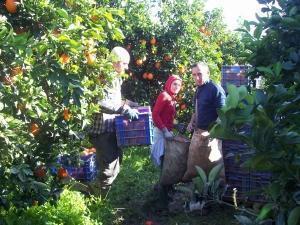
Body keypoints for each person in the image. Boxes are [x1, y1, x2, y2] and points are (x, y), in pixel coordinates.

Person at [88, 46, 139, 196]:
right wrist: (124, 110)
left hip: (110, 128)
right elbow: (100, 102)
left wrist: (129, 104)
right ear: (116, 62)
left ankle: (94, 189)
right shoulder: (104, 76)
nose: (127, 67)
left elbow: (114, 100)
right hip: (101, 129)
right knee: (110, 166)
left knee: (115, 161)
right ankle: (97, 198)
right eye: (125, 63)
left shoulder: (115, 78)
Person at [183, 62, 226, 181]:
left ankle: (214, 195)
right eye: (194, 75)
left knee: (214, 172)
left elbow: (223, 114)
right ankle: (196, 190)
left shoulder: (215, 89)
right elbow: (196, 110)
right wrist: (191, 122)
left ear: (208, 73)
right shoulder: (199, 90)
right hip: (198, 135)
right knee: (195, 170)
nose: (197, 78)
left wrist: (211, 133)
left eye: (200, 74)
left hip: (212, 137)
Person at [150, 74, 182, 207]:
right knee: (165, 164)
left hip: (167, 134)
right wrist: (164, 130)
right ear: (169, 84)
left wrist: (175, 125)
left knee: (169, 163)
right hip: (160, 134)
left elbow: (166, 118)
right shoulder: (164, 95)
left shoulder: (172, 98)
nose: (177, 87)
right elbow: (155, 115)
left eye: (179, 85)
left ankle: (168, 190)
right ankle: (162, 200)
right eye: (174, 84)